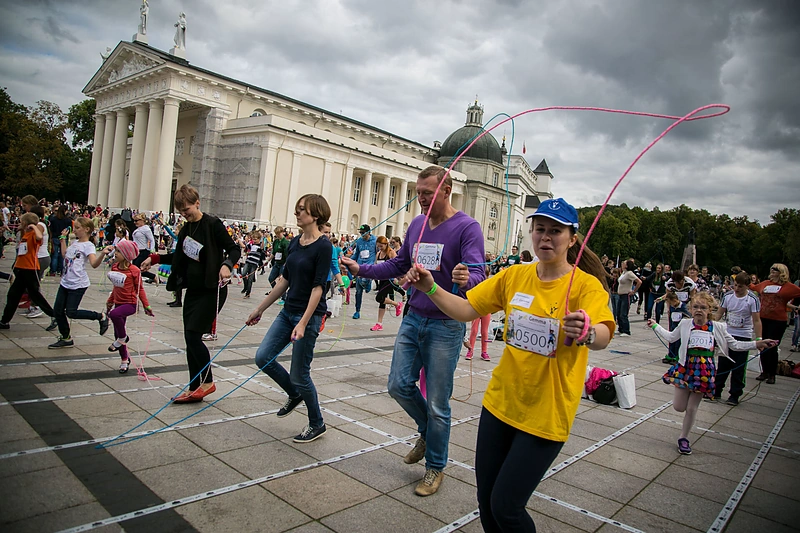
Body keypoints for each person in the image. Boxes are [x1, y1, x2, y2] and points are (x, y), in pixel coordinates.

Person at [405, 197, 613, 529]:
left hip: (546, 414)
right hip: (500, 405)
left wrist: (588, 331)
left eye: (555, 231)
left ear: (573, 239)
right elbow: (465, 309)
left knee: (506, 506)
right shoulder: (514, 276)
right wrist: (431, 288)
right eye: (540, 229)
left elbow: (603, 333)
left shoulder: (585, 286)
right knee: (486, 501)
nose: (546, 237)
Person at [341, 165, 486, 497]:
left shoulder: (468, 227)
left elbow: (479, 274)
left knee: (438, 402)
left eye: (426, 193)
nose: (419, 198)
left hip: (446, 324)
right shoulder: (418, 224)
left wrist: (468, 279)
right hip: (413, 317)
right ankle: (427, 432)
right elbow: (400, 264)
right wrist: (362, 268)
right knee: (398, 385)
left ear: (446, 191)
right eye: (418, 192)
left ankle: (435, 466)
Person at [247, 194, 332, 443]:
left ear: (315, 215)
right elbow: (285, 280)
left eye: (301, 210)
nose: (297, 213)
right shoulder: (295, 242)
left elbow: (319, 289)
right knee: (263, 357)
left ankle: (317, 423)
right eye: (296, 209)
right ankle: (294, 394)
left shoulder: (324, 246)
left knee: (300, 373)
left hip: (309, 316)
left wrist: (303, 323)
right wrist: (259, 309)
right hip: (287, 312)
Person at [649, 292, 775, 455]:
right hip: (685, 368)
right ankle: (684, 430)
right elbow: (671, 337)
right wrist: (655, 325)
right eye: (696, 307)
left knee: (692, 408)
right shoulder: (685, 324)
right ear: (691, 308)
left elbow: (735, 345)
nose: (699, 310)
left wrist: (757, 344)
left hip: (704, 371)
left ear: (710, 310)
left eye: (703, 307)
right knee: (679, 407)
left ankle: (684, 438)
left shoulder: (718, 327)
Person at [168, 185, 240, 403]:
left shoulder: (212, 224)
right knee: (190, 339)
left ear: (197, 202)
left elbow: (234, 249)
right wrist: (152, 259)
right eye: (180, 211)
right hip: (194, 289)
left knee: (193, 335)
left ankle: (207, 381)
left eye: (187, 209)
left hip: (212, 289)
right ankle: (194, 388)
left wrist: (227, 264)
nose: (184, 214)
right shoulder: (186, 229)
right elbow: (177, 256)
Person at [47, 218, 111, 348]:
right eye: (74, 227)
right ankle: (66, 338)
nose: (74, 230)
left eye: (77, 228)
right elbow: (65, 255)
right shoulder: (75, 242)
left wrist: (102, 254)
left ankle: (100, 316)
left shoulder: (88, 246)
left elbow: (93, 264)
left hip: (78, 283)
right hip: (66, 281)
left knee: (71, 312)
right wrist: (62, 240)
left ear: (86, 229)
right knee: (58, 311)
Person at [0, 212, 56, 329]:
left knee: (35, 295)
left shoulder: (33, 235)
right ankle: (4, 321)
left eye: (21, 221)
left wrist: (34, 226)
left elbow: (39, 237)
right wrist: (22, 229)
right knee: (13, 295)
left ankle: (54, 315)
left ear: (26, 223)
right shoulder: (26, 234)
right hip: (22, 269)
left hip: (30, 269)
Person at [714, 272, 762, 405]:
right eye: (735, 285)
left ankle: (734, 394)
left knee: (738, 367)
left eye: (740, 286)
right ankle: (716, 390)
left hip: (744, 335)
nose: (737, 289)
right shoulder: (728, 296)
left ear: (747, 286)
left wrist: (759, 338)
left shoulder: (752, 299)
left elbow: (756, 320)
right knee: (723, 364)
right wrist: (710, 326)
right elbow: (719, 313)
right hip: (727, 333)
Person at [105, 240, 153, 372]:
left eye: (119, 251)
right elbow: (115, 287)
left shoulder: (134, 270)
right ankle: (124, 359)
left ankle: (123, 338)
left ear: (127, 255)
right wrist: (110, 300)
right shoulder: (115, 267)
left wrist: (146, 306)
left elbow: (140, 289)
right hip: (118, 302)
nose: (116, 253)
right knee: (117, 333)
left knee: (114, 315)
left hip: (130, 304)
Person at [750, 264, 800, 384]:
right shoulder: (766, 283)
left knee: (772, 346)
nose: (772, 271)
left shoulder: (788, 287)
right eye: (771, 269)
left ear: (781, 272)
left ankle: (772, 374)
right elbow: (753, 287)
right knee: (762, 344)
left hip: (778, 321)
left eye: (775, 270)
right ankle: (764, 371)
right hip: (762, 319)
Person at [662, 271, 696, 364]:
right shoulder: (670, 284)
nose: (678, 285)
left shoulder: (690, 284)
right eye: (676, 282)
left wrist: (692, 310)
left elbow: (692, 297)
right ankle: (671, 354)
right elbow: (668, 296)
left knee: (681, 332)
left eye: (680, 282)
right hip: (674, 307)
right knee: (672, 331)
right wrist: (668, 309)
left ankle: (678, 355)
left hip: (684, 308)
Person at [370, 236, 402, 331]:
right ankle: (379, 323)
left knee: (379, 297)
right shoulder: (378, 254)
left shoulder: (391, 253)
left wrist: (397, 277)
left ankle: (396, 304)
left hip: (389, 279)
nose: (380, 248)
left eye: (381, 246)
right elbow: (375, 266)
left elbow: (398, 264)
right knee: (381, 301)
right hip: (381, 279)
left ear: (386, 244)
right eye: (378, 246)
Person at [351, 224, 377, 319]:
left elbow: (379, 251)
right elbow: (356, 254)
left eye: (363, 232)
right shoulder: (359, 241)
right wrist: (348, 259)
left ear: (369, 232)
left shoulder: (375, 240)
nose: (361, 234)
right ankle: (357, 311)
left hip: (369, 266)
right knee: (358, 291)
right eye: (360, 232)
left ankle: (368, 282)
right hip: (360, 267)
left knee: (366, 280)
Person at [614, 260, 639, 336]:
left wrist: (634, 291)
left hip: (626, 295)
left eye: (624, 263)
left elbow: (639, 281)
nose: (622, 264)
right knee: (618, 313)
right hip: (620, 295)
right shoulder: (623, 273)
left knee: (623, 313)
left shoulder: (629, 273)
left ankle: (626, 330)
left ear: (627, 265)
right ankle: (621, 329)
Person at [131, 213, 158, 283]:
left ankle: (153, 276)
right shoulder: (138, 229)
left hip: (143, 251)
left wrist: (152, 250)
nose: (135, 222)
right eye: (134, 221)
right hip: (136, 252)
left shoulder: (146, 229)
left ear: (142, 220)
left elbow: (152, 240)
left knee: (137, 269)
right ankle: (136, 283)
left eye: (136, 221)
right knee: (134, 269)